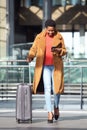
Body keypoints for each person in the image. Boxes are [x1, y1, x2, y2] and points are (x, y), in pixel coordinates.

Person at [27, 19, 67, 123]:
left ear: (55, 29)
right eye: (49, 30)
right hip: (44, 66)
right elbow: (33, 48)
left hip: (56, 66)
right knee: (47, 88)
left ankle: (56, 106)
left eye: (52, 31)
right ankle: (49, 112)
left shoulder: (59, 37)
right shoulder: (39, 37)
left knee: (56, 89)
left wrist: (59, 51)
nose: (50, 32)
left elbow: (64, 51)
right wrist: (30, 56)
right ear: (46, 29)